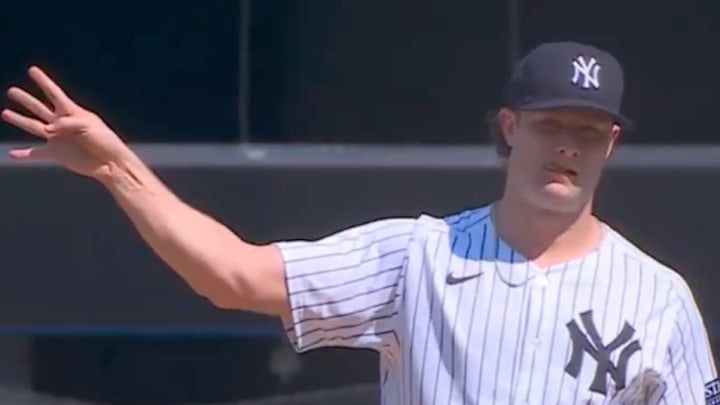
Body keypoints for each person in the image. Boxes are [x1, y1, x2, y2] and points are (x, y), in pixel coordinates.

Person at [2, 41, 717, 404]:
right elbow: (234, 275)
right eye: (551, 123)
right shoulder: (420, 255)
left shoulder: (657, 298)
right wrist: (114, 166)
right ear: (509, 127)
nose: (568, 144)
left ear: (612, 143)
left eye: (589, 130)